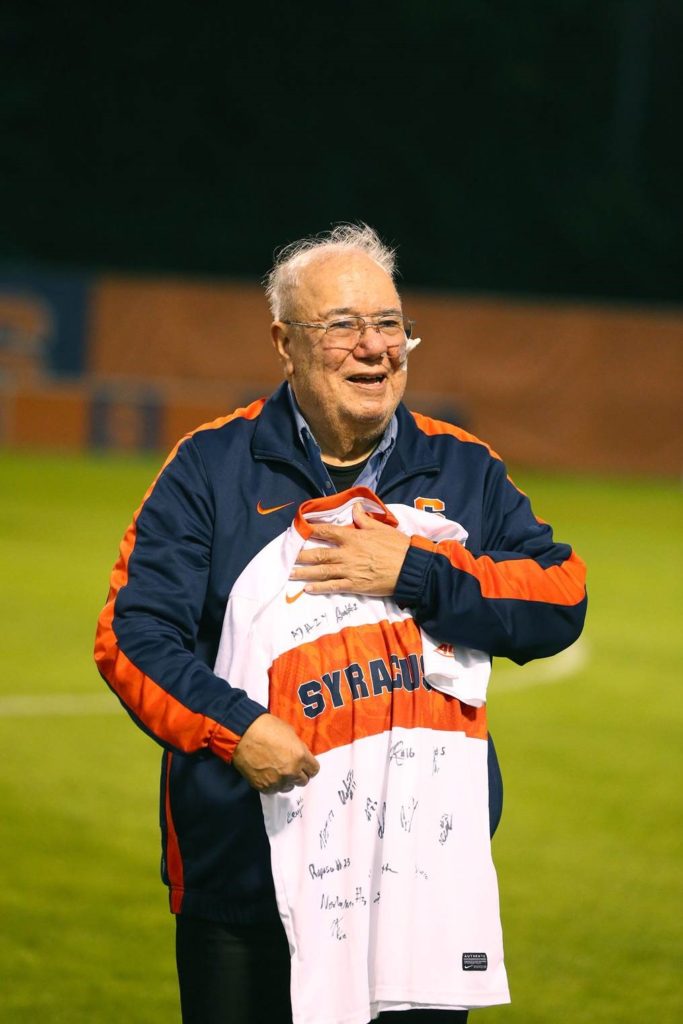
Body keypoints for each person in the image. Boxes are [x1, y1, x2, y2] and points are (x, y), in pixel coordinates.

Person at [95, 224, 587, 1024]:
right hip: (247, 884)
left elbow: (559, 600)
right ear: (284, 342)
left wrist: (415, 573)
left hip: (419, 885)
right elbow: (133, 636)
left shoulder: (460, 466)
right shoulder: (211, 468)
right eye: (344, 326)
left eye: (390, 324)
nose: (374, 348)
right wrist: (236, 730)